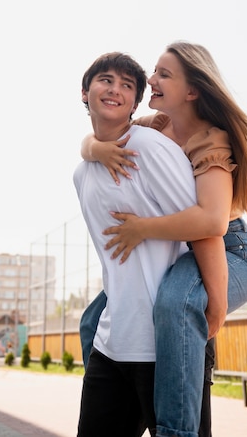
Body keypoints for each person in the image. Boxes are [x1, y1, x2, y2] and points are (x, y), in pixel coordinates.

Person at [81, 41, 247, 437]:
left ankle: (176, 430)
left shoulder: (211, 140)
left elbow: (211, 223)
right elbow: (98, 135)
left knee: (175, 302)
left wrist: (216, 304)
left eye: (163, 74)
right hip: (188, 247)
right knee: (93, 319)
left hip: (233, 252)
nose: (150, 79)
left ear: (191, 91)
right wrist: (95, 149)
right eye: (154, 71)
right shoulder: (157, 127)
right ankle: (113, 397)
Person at [73, 51, 198, 437]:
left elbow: (203, 232)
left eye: (127, 85)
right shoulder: (81, 173)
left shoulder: (151, 148)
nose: (115, 89)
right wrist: (91, 148)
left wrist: (209, 321)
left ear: (135, 102)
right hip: (111, 345)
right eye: (105, 80)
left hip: (165, 347)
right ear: (84, 92)